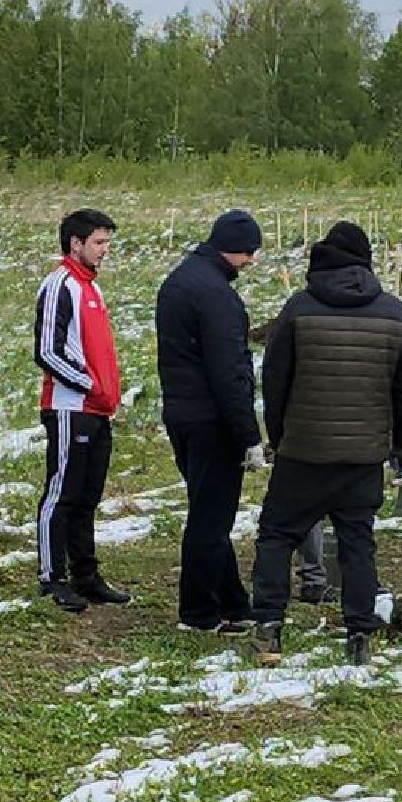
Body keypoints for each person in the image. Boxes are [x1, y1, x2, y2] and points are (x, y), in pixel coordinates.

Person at [251, 222, 402, 667]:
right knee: (357, 543)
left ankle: (268, 628)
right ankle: (359, 636)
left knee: (276, 536)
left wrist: (278, 435)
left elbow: (275, 379)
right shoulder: (395, 314)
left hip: (304, 450)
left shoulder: (299, 308)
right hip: (363, 454)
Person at [157, 209, 265, 634]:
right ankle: (199, 612)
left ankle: (232, 604)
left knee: (209, 509)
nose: (251, 263)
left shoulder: (182, 281)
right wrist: (248, 434)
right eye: (249, 254)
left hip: (182, 414)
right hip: (211, 420)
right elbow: (229, 372)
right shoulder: (217, 296)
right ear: (235, 250)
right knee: (210, 518)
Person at [32, 209, 131, 613]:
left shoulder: (93, 288)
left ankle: (86, 575)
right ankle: (51, 576)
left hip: (97, 410)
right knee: (62, 493)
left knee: (88, 495)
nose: (105, 251)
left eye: (107, 243)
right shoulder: (61, 285)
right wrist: (90, 385)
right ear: (76, 244)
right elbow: (46, 352)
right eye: (99, 243)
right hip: (70, 408)